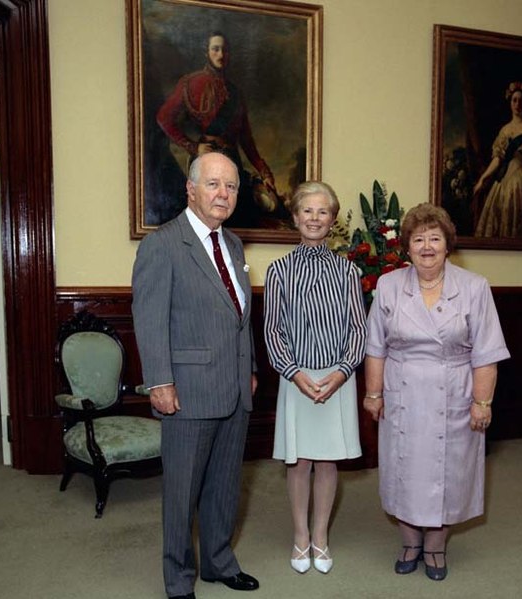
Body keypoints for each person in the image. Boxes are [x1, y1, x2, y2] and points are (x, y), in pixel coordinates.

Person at [132, 152, 259, 599]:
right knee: (181, 493)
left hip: (234, 388)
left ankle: (219, 563)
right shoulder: (162, 244)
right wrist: (159, 382)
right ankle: (178, 579)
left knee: (225, 487)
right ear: (190, 189)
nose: (223, 194)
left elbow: (240, 315)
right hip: (186, 391)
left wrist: (251, 369)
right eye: (213, 184)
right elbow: (149, 320)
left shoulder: (235, 245)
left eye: (231, 187)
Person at [363, 203, 510, 581]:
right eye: (418, 239)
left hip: (455, 393)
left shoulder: (474, 287)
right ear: (407, 247)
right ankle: (410, 541)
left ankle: (436, 547)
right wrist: (374, 394)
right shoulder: (389, 285)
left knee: (448, 471)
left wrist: (482, 402)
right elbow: (375, 347)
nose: (426, 246)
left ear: (447, 245)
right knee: (404, 469)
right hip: (403, 393)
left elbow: (487, 352)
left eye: (434, 238)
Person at [264, 181, 367, 575]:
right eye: (307, 210)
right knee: (300, 460)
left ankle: (321, 536)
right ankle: (300, 536)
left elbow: (359, 328)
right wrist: (293, 373)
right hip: (297, 379)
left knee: (327, 461)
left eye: (323, 212)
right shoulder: (278, 271)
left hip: (337, 378)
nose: (314, 218)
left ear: (333, 220)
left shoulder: (347, 271)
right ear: (294, 216)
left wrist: (342, 372)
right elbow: (272, 330)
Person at [156, 31, 279, 228]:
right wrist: (194, 147)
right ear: (207, 52)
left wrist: (264, 172)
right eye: (215, 49)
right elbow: (164, 117)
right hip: (205, 161)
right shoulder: (190, 83)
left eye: (225, 50)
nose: (221, 55)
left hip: (233, 162)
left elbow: (246, 139)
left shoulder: (235, 93)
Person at [473, 81, 522, 238]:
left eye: (520, 101)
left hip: (520, 180)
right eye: (514, 100)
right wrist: (482, 180)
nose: (517, 104)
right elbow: (498, 159)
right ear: (510, 103)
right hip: (502, 180)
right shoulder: (505, 130)